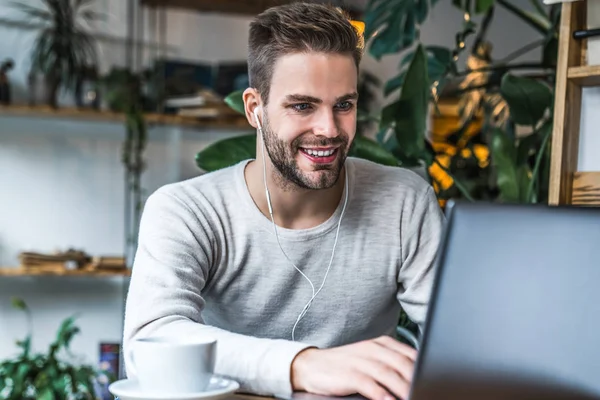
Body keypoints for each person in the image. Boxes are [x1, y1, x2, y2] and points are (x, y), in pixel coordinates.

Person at [123, 3, 445, 400]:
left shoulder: (405, 202)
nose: (329, 129)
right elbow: (150, 341)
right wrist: (303, 364)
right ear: (255, 109)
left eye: (343, 105)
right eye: (303, 106)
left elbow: (461, 341)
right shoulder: (186, 211)